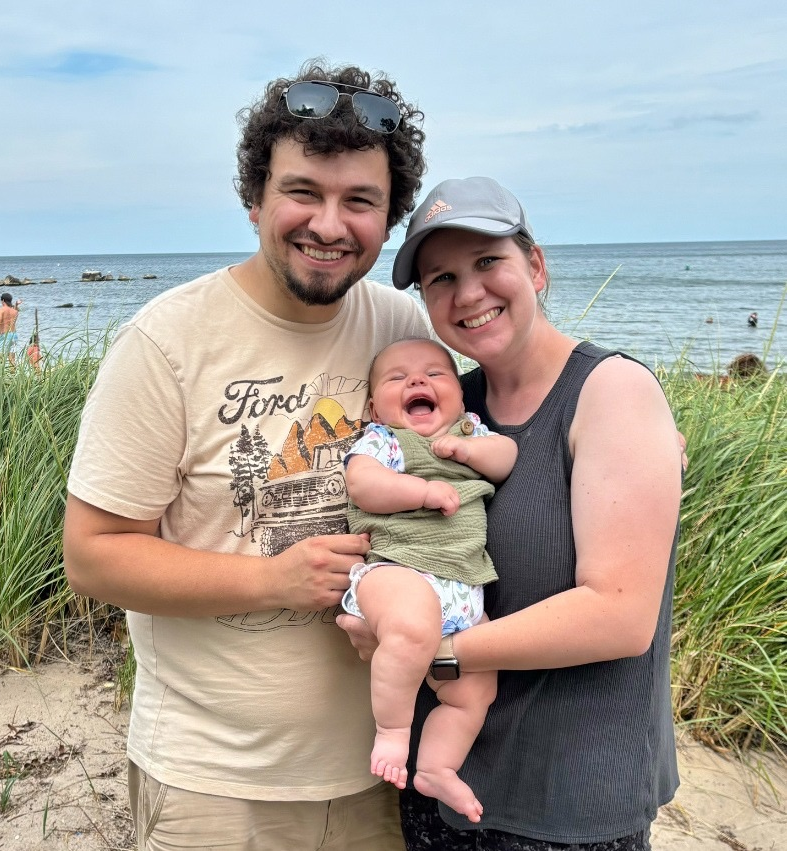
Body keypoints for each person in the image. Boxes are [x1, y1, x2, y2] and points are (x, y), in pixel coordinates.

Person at [62, 60, 431, 851]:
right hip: (213, 784)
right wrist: (273, 580)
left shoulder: (402, 329)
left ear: (389, 216)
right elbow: (92, 556)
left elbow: (480, 432)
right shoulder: (167, 341)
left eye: (359, 200)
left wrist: (613, 411)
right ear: (254, 199)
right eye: (303, 191)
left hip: (381, 770)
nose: (329, 224)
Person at [338, 176, 684, 850]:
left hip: (572, 798)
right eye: (441, 278)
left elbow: (620, 615)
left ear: (536, 266)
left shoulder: (611, 391)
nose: (468, 293)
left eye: (488, 262)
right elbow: (376, 513)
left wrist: (431, 650)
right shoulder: (450, 402)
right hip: (444, 784)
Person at [342, 337, 516, 822]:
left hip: (462, 588)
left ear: (460, 397)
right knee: (411, 626)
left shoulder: (471, 430)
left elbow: (506, 456)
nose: (417, 380)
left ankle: (438, 767)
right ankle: (392, 731)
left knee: (475, 693)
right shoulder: (384, 439)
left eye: (435, 374)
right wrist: (421, 491)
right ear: (374, 408)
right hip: (397, 570)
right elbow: (363, 484)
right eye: (398, 377)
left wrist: (468, 449)